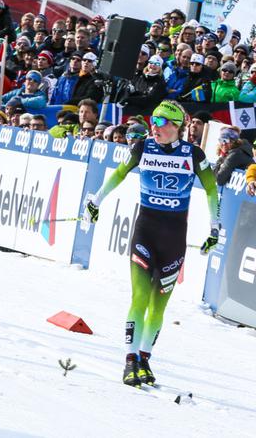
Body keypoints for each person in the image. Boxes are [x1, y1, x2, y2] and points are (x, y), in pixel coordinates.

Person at [83, 100, 219, 387]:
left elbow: (210, 190)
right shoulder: (142, 147)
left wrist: (214, 227)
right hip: (145, 231)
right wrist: (96, 200)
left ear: (176, 127)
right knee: (139, 299)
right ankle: (130, 360)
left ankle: (144, 358)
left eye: (159, 122)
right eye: (152, 121)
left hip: (174, 238)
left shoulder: (193, 154)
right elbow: (119, 174)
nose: (153, 127)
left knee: (158, 308)